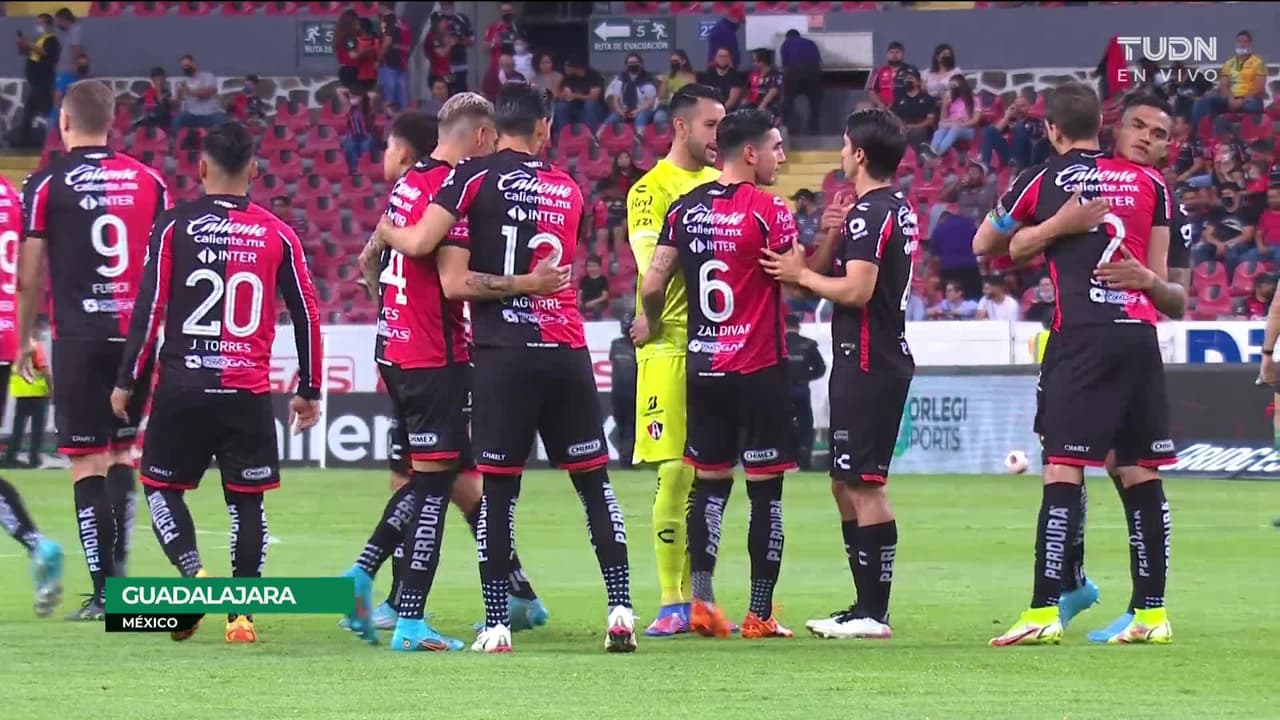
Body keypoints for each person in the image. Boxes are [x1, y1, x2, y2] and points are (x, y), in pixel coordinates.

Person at [377, 82, 636, 654]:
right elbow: (572, 254)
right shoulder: (570, 188)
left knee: (497, 494)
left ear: (494, 131)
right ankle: (620, 609)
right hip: (567, 351)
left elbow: (438, 261)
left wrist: (387, 231)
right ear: (545, 129)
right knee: (596, 488)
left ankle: (496, 623)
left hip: (503, 357)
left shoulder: (470, 179)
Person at [975, 83, 1182, 646]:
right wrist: (1152, 283)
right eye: (1142, 128)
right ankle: (1151, 614)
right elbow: (1176, 295)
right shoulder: (1151, 185)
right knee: (1138, 471)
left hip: (1083, 340)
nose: (1148, 139)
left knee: (1063, 470)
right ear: (1113, 125)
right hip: (1138, 339)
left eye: (1159, 133)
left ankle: (1044, 610)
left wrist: (1054, 228)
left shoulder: (1047, 178)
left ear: (1051, 129)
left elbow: (992, 245)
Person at [110, 121, 321, 644]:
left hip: (182, 387)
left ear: (201, 169)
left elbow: (149, 308)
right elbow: (307, 314)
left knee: (160, 489)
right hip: (245, 393)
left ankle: (196, 579)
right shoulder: (278, 233)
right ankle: (241, 615)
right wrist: (310, 387)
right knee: (247, 502)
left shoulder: (173, 226)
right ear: (253, 170)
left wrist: (125, 381)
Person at [352, 104, 548, 641]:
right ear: (482, 136)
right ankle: (389, 599)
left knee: (459, 483)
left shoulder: (410, 181)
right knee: (436, 485)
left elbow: (371, 258)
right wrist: (530, 283)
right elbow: (455, 284)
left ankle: (517, 592)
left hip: (395, 348)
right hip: (435, 356)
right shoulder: (455, 187)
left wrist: (387, 297)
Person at [636, 108, 798, 640]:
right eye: (775, 147)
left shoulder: (684, 210)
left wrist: (653, 323)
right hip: (759, 367)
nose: (781, 156)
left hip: (704, 367)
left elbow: (655, 281)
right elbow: (795, 277)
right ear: (749, 153)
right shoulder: (770, 211)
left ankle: (701, 602)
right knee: (765, 495)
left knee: (708, 488)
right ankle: (759, 613)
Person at [17, 80, 170, 620]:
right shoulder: (150, 182)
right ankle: (120, 577)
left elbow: (28, 277)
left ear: (63, 121)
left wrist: (23, 337)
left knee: (85, 462)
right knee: (122, 454)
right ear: (113, 121)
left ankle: (105, 590)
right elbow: (165, 265)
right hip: (137, 338)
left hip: (80, 338)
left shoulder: (43, 185)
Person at [761, 106, 915, 640]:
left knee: (866, 484)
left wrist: (802, 271)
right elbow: (827, 278)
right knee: (844, 483)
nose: (841, 153)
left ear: (862, 155)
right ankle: (863, 605)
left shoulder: (873, 212)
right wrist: (824, 244)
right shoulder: (882, 208)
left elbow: (855, 290)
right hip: (864, 357)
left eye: (846, 144)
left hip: (871, 360)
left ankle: (874, 612)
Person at [623, 83, 724, 637]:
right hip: (665, 342)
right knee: (674, 470)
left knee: (707, 474)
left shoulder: (719, 185)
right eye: (711, 125)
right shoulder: (649, 191)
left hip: (715, 342)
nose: (719, 136)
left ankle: (700, 599)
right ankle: (669, 600)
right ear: (682, 126)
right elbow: (653, 266)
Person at [0, 174, 63, 616]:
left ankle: (37, 544)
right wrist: (21, 338)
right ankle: (37, 545)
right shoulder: (8, 194)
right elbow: (26, 275)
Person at [1190, 30, 1266, 133]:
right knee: (1202, 102)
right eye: (1239, 41)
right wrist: (1230, 98)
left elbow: (1259, 87)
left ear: (1250, 44)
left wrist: (1242, 99)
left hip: (1250, 99)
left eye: (1245, 41)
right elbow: (1223, 85)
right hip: (1231, 99)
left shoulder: (1258, 62)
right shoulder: (1229, 63)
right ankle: (1196, 136)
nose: (1242, 44)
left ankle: (1248, 137)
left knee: (1252, 105)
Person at [783, 315, 824, 470]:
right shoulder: (808, 344)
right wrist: (806, 377)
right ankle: (805, 462)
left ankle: (784, 460)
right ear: (798, 327)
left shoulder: (778, 343)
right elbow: (821, 368)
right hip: (801, 390)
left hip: (782, 392)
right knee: (805, 425)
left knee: (782, 425)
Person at [14, 14, 60, 148]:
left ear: (48, 25)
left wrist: (30, 44)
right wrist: (23, 45)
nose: (38, 27)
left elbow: (45, 53)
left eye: (41, 23)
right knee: (30, 111)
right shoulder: (37, 40)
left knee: (43, 110)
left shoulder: (52, 40)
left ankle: (51, 140)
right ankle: (25, 140)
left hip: (43, 81)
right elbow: (26, 53)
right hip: (34, 81)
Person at [7, 338, 51, 468]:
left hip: (21, 393)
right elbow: (44, 369)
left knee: (18, 429)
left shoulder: (13, 345)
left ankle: (11, 458)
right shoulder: (34, 345)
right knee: (37, 429)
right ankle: (34, 459)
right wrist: (51, 388)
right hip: (37, 392)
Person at [596, 150, 642, 251]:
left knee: (624, 224)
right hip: (614, 208)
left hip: (632, 207)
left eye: (626, 157)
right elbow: (601, 192)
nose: (624, 160)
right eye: (621, 158)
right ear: (616, 161)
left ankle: (623, 251)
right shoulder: (610, 178)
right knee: (604, 230)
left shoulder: (639, 175)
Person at [602, 54, 658, 137]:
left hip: (643, 109)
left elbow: (650, 101)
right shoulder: (620, 79)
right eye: (630, 63)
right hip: (625, 109)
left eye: (635, 62)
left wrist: (638, 111)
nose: (633, 65)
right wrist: (620, 111)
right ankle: (597, 138)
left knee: (641, 117)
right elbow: (615, 99)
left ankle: (638, 139)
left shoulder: (647, 79)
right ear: (626, 65)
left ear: (641, 64)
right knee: (612, 118)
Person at [780, 29, 822, 135]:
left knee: (789, 100)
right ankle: (814, 128)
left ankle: (787, 127)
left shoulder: (786, 43)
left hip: (794, 72)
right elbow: (818, 61)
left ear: (787, 37)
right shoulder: (810, 43)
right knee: (814, 102)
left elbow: (785, 65)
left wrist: (784, 83)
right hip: (813, 72)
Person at [609, 314, 637, 470]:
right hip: (619, 393)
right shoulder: (617, 344)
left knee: (631, 426)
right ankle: (625, 459)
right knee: (623, 426)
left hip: (633, 392)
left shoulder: (639, 345)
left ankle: (629, 460)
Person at [929, 74, 980, 156]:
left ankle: (936, 154)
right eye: (951, 87)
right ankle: (932, 151)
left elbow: (975, 120)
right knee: (939, 132)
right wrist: (944, 106)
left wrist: (961, 124)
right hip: (951, 125)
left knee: (955, 129)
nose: (953, 89)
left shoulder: (974, 99)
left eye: (954, 86)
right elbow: (943, 119)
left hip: (968, 129)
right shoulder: (953, 100)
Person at [173, 55, 225, 133]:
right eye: (183, 67)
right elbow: (176, 104)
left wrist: (190, 91)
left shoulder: (208, 76)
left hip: (210, 114)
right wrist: (175, 98)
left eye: (187, 65)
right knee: (177, 121)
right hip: (192, 115)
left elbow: (208, 93)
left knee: (221, 121)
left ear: (194, 64)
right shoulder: (182, 82)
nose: (185, 68)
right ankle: (174, 142)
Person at [893, 68, 937, 150]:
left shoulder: (928, 99)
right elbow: (894, 117)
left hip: (921, 128)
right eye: (905, 79)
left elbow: (930, 121)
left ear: (918, 82)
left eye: (910, 79)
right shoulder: (899, 98)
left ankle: (919, 158)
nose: (907, 81)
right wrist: (901, 126)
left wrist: (913, 126)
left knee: (917, 133)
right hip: (903, 128)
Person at [556, 57, 605, 132]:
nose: (566, 68)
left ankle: (591, 136)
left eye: (568, 66)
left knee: (590, 105)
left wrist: (575, 96)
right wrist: (564, 96)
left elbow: (593, 98)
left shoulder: (594, 75)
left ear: (577, 67)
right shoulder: (569, 77)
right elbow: (565, 92)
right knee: (560, 106)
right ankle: (563, 135)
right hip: (576, 109)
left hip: (594, 111)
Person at [866, 41, 916, 110]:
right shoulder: (879, 71)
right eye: (891, 52)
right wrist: (880, 104)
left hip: (905, 108)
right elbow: (871, 91)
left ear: (903, 54)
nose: (894, 55)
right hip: (883, 108)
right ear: (887, 54)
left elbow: (917, 89)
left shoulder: (911, 70)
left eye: (897, 52)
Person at [654, 50, 696, 127]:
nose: (673, 63)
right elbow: (661, 96)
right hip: (667, 106)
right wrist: (664, 82)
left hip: (683, 107)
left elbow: (691, 94)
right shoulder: (668, 75)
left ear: (683, 62)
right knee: (658, 118)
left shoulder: (690, 77)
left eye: (676, 61)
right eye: (672, 61)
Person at [697, 48, 747, 112]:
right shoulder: (709, 74)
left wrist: (718, 112)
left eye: (725, 56)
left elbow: (731, 101)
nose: (723, 59)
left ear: (729, 58)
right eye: (720, 56)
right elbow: (704, 96)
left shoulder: (735, 76)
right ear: (715, 58)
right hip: (711, 108)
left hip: (728, 111)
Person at [378, 11, 408, 112]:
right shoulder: (403, 23)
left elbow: (388, 41)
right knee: (400, 99)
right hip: (401, 62)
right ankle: (401, 121)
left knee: (388, 98)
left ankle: (389, 122)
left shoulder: (388, 20)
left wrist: (378, 58)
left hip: (388, 64)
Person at [748, 49, 784, 126]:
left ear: (763, 61)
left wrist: (761, 106)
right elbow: (750, 90)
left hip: (770, 105)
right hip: (754, 103)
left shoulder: (775, 74)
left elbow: (773, 91)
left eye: (756, 61)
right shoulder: (754, 74)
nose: (754, 64)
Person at [483, 2, 523, 68]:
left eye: (509, 11)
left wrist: (519, 43)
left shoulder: (519, 28)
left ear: (513, 11)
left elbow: (527, 47)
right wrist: (494, 43)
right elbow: (485, 50)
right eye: (504, 11)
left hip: (516, 66)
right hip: (498, 66)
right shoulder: (492, 28)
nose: (507, 13)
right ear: (499, 12)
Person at [579, 255, 610, 320]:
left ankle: (597, 325)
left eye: (594, 266)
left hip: (599, 302)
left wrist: (593, 302)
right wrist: (579, 302)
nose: (591, 268)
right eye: (589, 266)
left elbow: (604, 296)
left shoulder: (603, 280)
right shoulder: (584, 279)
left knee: (597, 309)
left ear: (599, 267)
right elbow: (580, 293)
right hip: (586, 302)